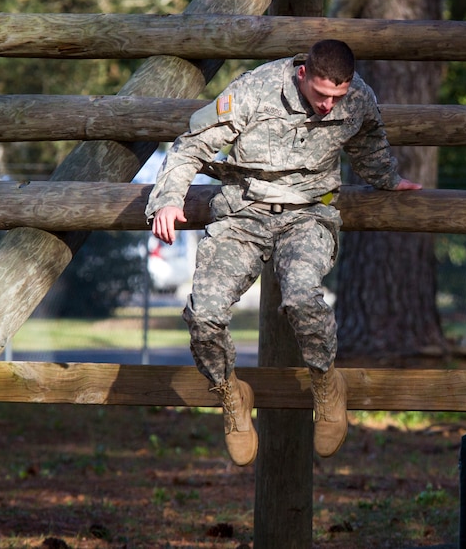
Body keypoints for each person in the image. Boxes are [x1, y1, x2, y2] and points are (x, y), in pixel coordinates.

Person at [146, 39, 420, 466]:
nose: (329, 106)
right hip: (243, 214)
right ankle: (230, 395)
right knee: (203, 315)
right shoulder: (254, 90)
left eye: (337, 96)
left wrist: (388, 180)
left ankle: (327, 384)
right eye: (321, 95)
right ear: (302, 75)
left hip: (308, 214)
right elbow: (191, 145)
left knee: (301, 296)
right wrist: (167, 200)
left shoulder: (358, 98)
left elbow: (368, 141)